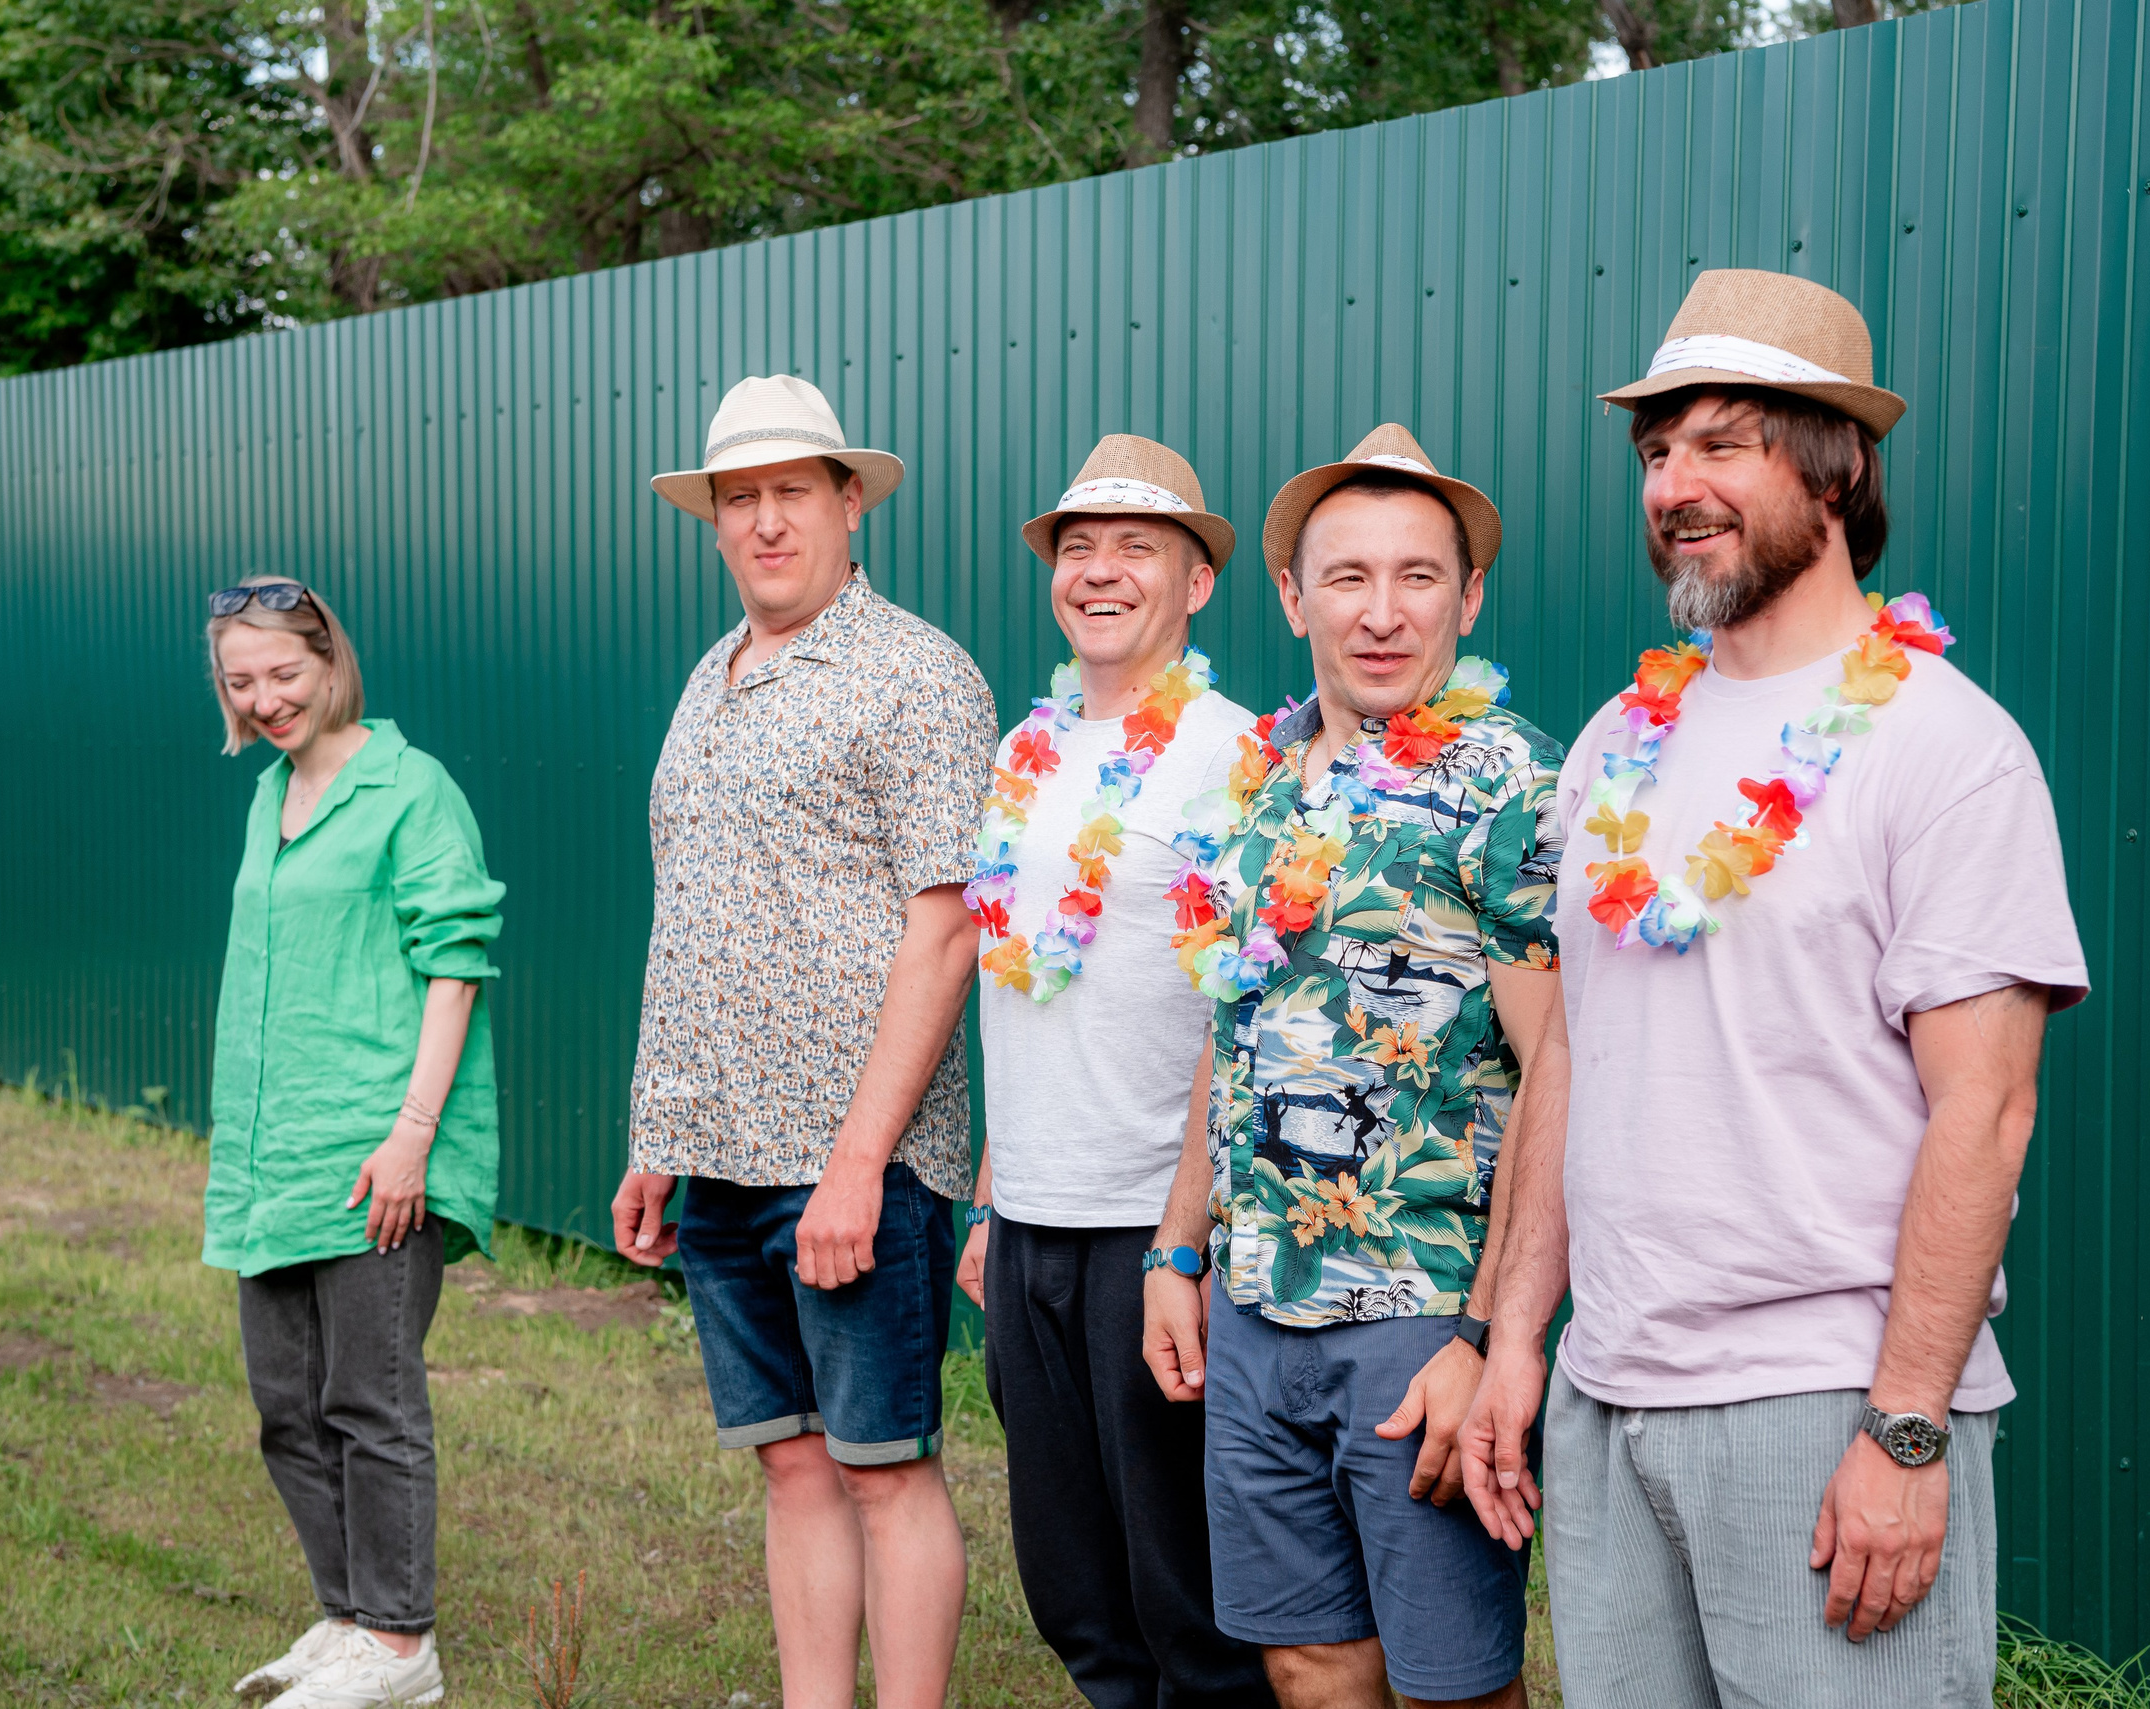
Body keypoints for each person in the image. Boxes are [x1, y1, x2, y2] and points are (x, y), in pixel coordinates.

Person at [1458, 270, 2090, 1706]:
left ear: (1838, 464)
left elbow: (1984, 1116)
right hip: (1608, 1392)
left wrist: (1908, 1428)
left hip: (1824, 1404)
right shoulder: (1620, 739)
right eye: (1657, 451)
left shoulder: (1946, 748)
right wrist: (1516, 1340)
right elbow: (1573, 1059)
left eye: (1724, 443)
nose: (1676, 483)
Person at [1141, 426, 1564, 1709]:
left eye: (1418, 576)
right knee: (1306, 1659)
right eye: (1347, 577)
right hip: (1257, 1307)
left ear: (1469, 594)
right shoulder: (1258, 777)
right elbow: (1233, 1027)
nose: (1381, 614)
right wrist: (1177, 1252)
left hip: (1421, 1317)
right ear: (1292, 594)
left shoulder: (1512, 783)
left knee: (1452, 1681)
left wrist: (1489, 1337)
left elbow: (1562, 1071)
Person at [610, 375, 994, 1709]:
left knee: (883, 1464)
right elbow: (692, 915)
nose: (765, 522)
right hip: (720, 1153)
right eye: (739, 499)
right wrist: (661, 1133)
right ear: (713, 520)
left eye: (790, 492)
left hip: (853, 1162)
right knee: (791, 1460)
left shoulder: (916, 672)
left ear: (847, 500)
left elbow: (947, 929)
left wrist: (860, 1162)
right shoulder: (708, 682)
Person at [952, 435, 1277, 1709]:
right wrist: (989, 1191)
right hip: (1030, 1214)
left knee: (1186, 1601)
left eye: (1136, 547)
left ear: (1196, 583)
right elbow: (1020, 979)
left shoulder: (1235, 752)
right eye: (1077, 548)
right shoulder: (1020, 755)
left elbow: (1234, 1006)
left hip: (1153, 1227)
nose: (1100, 571)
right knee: (1074, 1589)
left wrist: (1181, 1244)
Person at [201, 576, 504, 1709]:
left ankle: (400, 1642)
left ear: (331, 663)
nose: (268, 698)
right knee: (287, 1402)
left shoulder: (411, 788)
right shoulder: (268, 794)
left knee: (369, 1400)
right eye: (242, 680)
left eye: (285, 672)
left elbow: (455, 960)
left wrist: (412, 1135)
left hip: (379, 1147)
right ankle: (344, 1618)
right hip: (277, 1152)